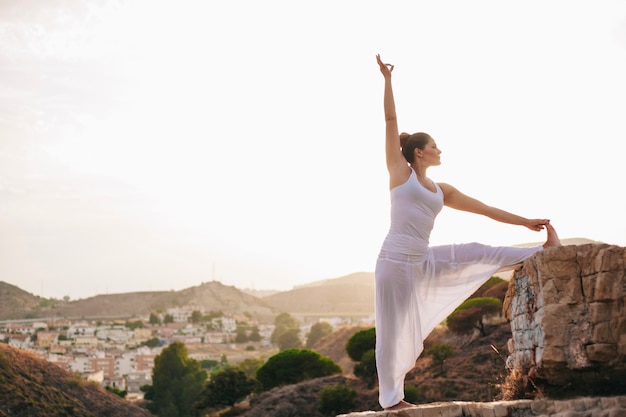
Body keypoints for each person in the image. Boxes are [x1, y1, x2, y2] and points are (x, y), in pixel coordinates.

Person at [374, 54, 562, 411]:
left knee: (477, 249)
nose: (439, 149)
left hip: (422, 258)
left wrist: (524, 221)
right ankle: (391, 401)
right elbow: (390, 119)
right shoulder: (401, 174)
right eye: (434, 146)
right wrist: (387, 79)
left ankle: (539, 252)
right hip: (395, 261)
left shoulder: (440, 189)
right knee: (392, 334)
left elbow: (486, 209)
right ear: (418, 152)